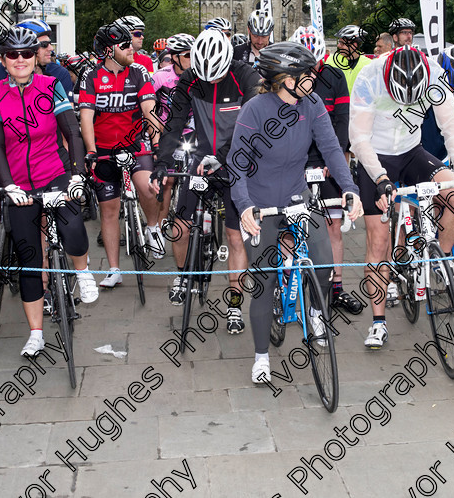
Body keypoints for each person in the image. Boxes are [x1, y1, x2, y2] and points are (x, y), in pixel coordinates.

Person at [229, 41, 363, 382]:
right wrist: (245, 207)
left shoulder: (313, 103)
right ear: (283, 78)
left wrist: (349, 188)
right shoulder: (255, 109)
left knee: (323, 262)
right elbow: (237, 164)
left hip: (296, 195)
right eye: (304, 75)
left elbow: (332, 148)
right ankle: (261, 357)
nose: (311, 81)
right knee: (264, 280)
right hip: (260, 203)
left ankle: (317, 311)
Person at [0, 26, 97, 358]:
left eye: (27, 54)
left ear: (35, 58)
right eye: (13, 55)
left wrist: (77, 175)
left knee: (72, 224)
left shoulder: (52, 86)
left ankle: (82, 271)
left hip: (54, 172)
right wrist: (8, 186)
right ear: (4, 61)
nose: (20, 60)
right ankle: (36, 333)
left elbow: (71, 132)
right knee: (29, 257)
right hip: (19, 181)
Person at [350, 45, 454, 349]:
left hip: (412, 152)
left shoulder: (435, 73)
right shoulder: (369, 77)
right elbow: (359, 138)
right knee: (378, 243)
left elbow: (450, 126)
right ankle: (378, 323)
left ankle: (437, 257)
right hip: (374, 158)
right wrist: (380, 178)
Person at [150, 29, 261, 334]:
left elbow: (250, 127)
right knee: (180, 226)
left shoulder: (246, 76)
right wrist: (162, 163)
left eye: (216, 76)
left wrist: (224, 158)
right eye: (204, 77)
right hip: (201, 156)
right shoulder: (190, 80)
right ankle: (185, 276)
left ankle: (235, 303)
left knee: (236, 237)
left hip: (237, 158)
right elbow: (174, 123)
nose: (210, 82)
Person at [80, 22, 164, 288]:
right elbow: (86, 117)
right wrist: (91, 151)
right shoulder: (90, 76)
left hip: (134, 144)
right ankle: (114, 269)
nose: (131, 48)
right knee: (109, 210)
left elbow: (150, 112)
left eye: (131, 42)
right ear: (108, 51)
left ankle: (151, 227)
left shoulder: (139, 72)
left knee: (148, 188)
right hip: (103, 149)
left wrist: (158, 145)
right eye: (124, 45)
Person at [290, 25, 363, 315]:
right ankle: (286, 285)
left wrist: (338, 162)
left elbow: (342, 122)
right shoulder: (287, 80)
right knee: (289, 226)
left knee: (333, 227)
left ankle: (336, 288)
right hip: (296, 160)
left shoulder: (335, 77)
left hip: (327, 159)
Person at [151, 33, 196, 225]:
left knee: (195, 178)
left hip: (192, 134)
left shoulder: (198, 75)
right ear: (175, 57)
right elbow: (148, 107)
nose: (191, 59)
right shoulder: (160, 77)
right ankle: (160, 226)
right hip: (168, 133)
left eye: (194, 54)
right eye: (187, 55)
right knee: (168, 181)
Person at [329, 25, 372, 93]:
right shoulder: (331, 60)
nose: (338, 46)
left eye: (342, 43)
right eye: (339, 42)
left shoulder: (368, 64)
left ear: (354, 45)